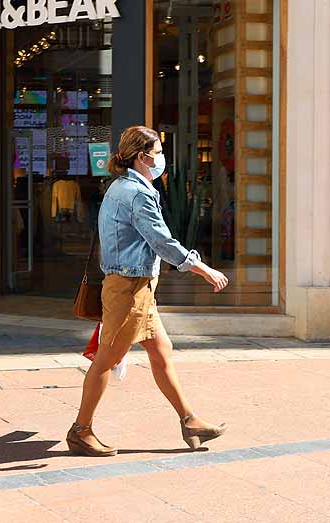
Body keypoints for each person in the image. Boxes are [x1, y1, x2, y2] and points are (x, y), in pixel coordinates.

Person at [68, 126, 231, 457]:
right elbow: (161, 241)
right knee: (105, 360)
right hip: (129, 291)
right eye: (157, 153)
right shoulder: (138, 193)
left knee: (161, 351)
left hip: (135, 288)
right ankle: (80, 430)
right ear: (142, 157)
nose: (160, 159)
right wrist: (204, 269)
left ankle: (190, 421)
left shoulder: (120, 187)